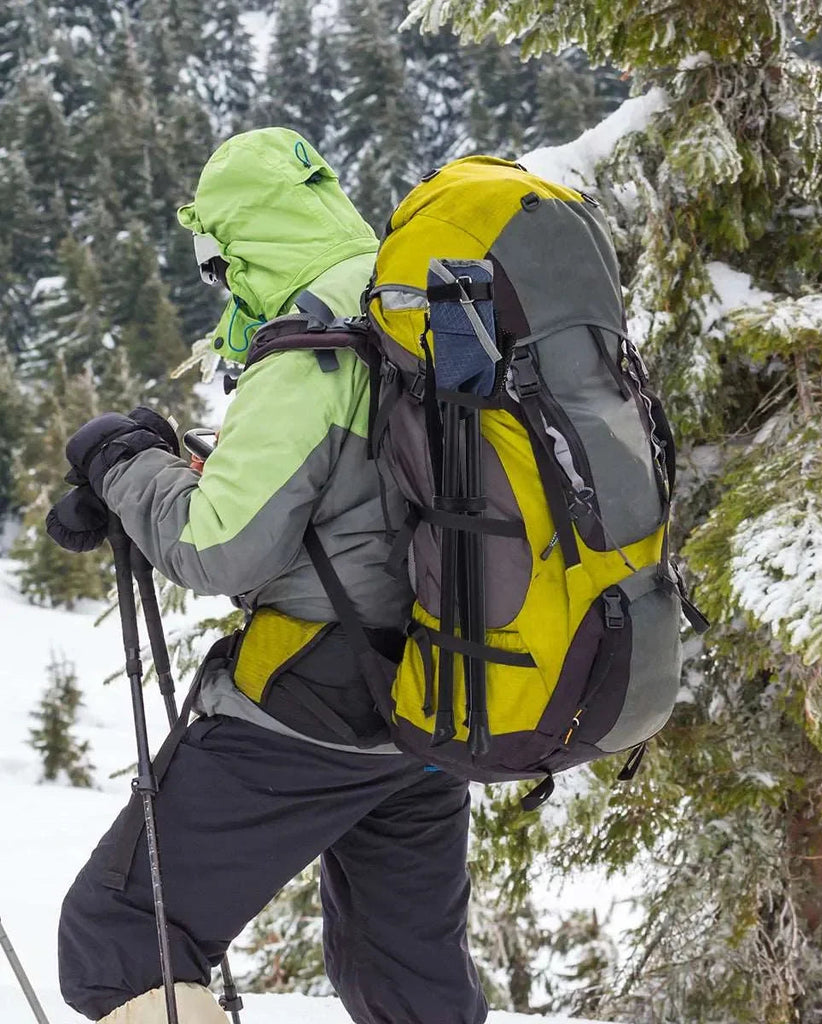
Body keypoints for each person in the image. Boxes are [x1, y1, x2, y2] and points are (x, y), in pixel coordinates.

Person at [48, 128, 488, 1024]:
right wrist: (181, 465)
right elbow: (370, 489)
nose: (218, 286)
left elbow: (219, 550)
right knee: (410, 983)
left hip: (315, 703)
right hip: (443, 695)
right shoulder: (420, 306)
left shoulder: (312, 348)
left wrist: (122, 464)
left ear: (237, 241)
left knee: (122, 940)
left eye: (216, 263)